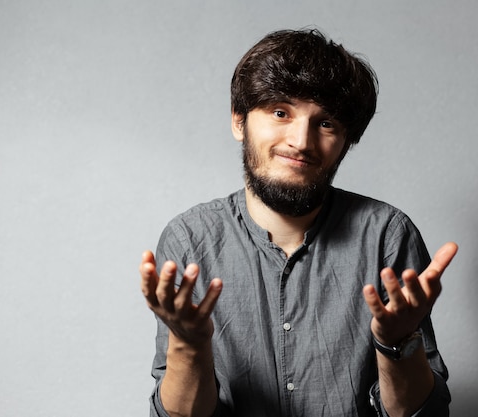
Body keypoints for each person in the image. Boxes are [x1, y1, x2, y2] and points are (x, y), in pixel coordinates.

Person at [139, 28, 458, 417]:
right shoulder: (190, 239)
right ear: (239, 121)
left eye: (325, 123)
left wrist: (397, 344)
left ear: (345, 142)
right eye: (280, 112)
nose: (301, 141)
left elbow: (420, 415)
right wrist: (188, 345)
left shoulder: (387, 235)